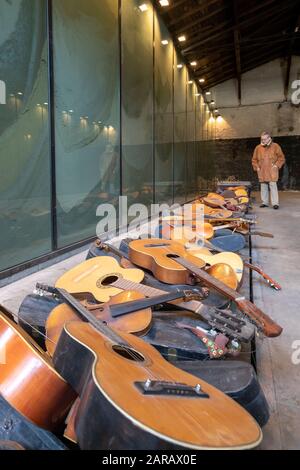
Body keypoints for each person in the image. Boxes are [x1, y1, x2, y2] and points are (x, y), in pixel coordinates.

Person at [252, 132, 285, 209]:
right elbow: (254, 159)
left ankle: (275, 203)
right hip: (262, 170)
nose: (263, 141)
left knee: (273, 186)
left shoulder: (276, 146)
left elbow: (281, 158)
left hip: (272, 170)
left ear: (269, 138)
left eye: (264, 139)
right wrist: (257, 167)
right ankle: (265, 202)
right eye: (262, 139)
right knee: (263, 186)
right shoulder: (258, 148)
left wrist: (276, 165)